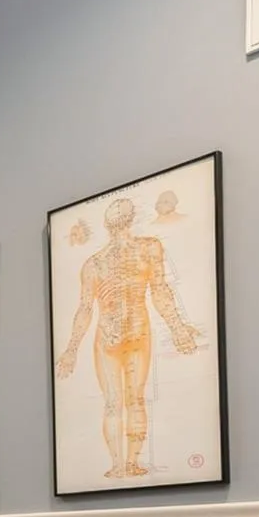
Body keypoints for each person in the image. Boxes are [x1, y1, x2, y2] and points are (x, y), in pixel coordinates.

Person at [55, 197, 200, 480]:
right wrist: (177, 327)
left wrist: (72, 349)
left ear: (107, 226)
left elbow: (86, 308)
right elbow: (158, 291)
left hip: (112, 335)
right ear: (131, 219)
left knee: (115, 403)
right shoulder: (147, 248)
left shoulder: (95, 263)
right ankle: (129, 463)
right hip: (134, 332)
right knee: (133, 400)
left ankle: (120, 465)